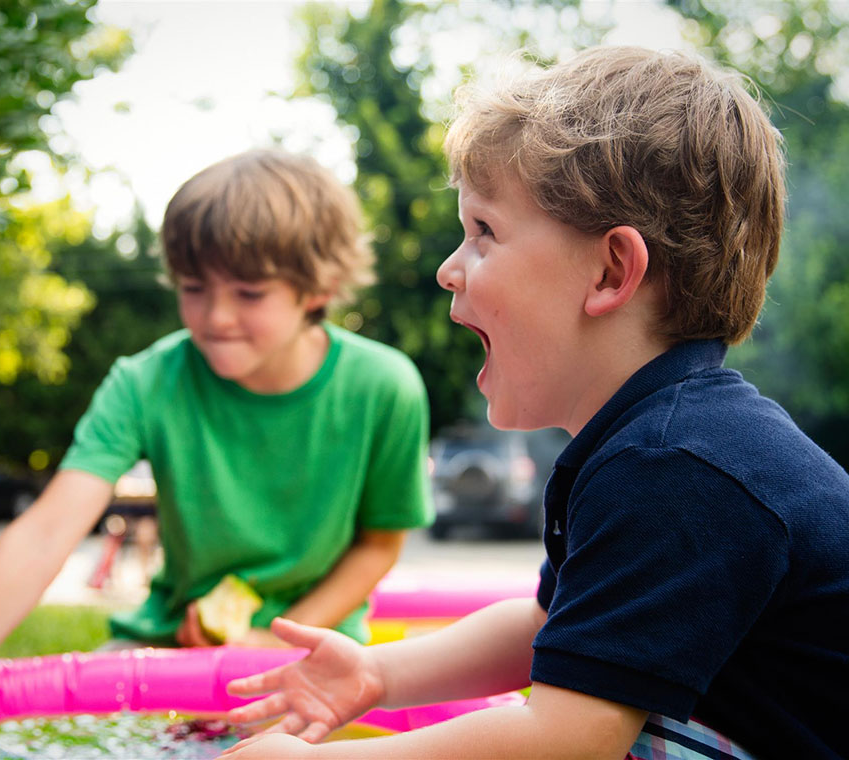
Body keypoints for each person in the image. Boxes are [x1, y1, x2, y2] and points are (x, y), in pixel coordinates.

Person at [218, 47, 849, 760]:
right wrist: (375, 673)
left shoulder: (679, 468)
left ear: (611, 270)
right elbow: (548, 625)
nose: (448, 268)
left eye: (484, 232)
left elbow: (566, 741)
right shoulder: (653, 444)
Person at [0, 148, 434, 744]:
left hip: (315, 652)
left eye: (249, 293)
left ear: (317, 287)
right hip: (166, 644)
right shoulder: (145, 381)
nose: (216, 316)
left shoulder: (385, 387)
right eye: (194, 288)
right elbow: (43, 536)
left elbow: (378, 545)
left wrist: (274, 637)